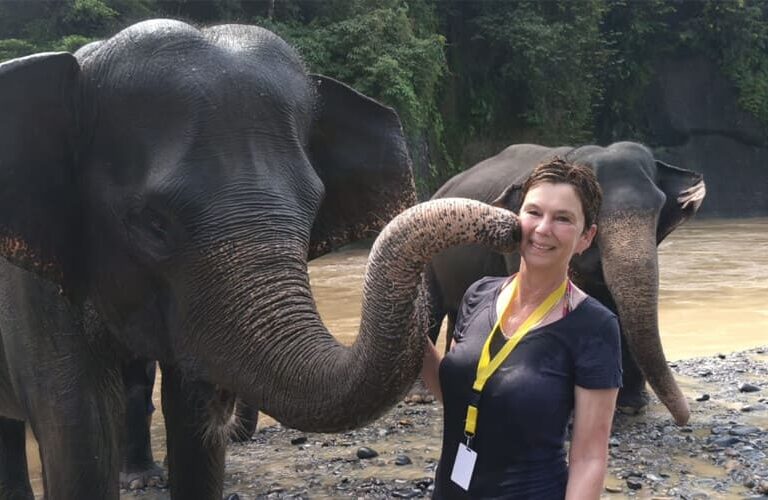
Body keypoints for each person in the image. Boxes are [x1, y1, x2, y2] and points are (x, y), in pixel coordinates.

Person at [421, 157, 622, 499]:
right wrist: (405, 329)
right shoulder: (478, 294)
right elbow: (459, 394)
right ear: (517, 217)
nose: (543, 229)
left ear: (586, 237)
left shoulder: (595, 327)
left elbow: (589, 457)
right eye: (534, 212)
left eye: (563, 219)